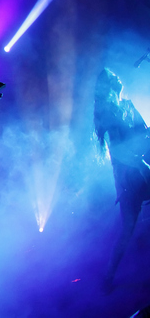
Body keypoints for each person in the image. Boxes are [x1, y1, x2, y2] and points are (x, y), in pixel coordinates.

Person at [93, 68, 150, 291]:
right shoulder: (108, 113)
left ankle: (109, 277)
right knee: (127, 229)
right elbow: (116, 150)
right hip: (129, 177)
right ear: (107, 86)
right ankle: (108, 277)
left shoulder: (127, 104)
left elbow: (144, 133)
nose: (117, 77)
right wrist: (140, 164)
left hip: (141, 169)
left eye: (116, 75)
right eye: (112, 77)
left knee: (128, 228)